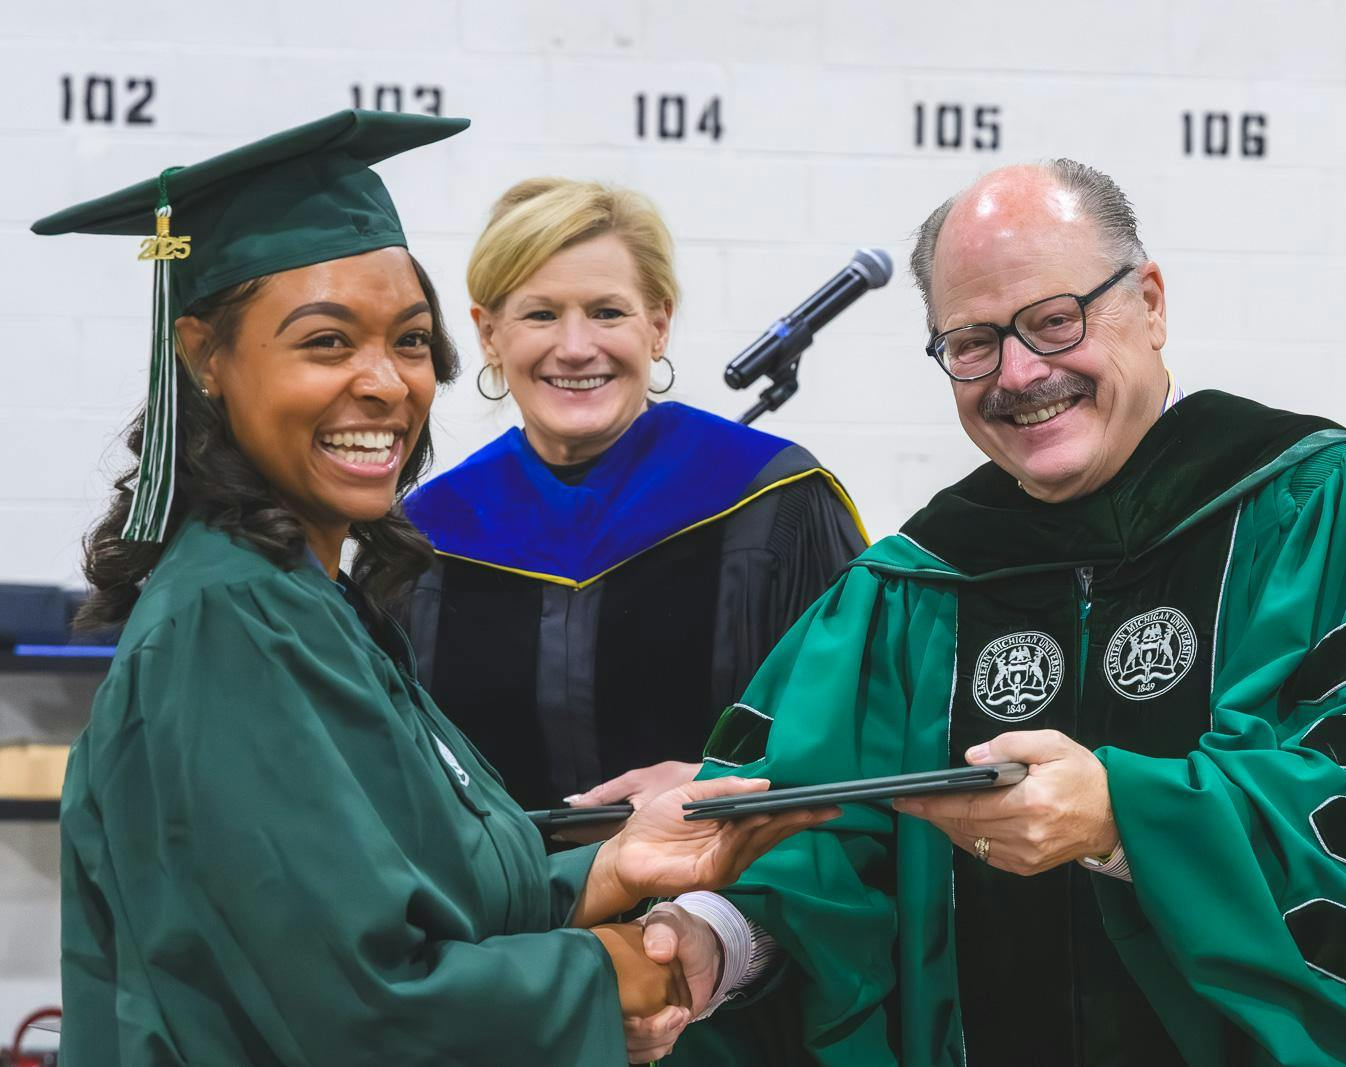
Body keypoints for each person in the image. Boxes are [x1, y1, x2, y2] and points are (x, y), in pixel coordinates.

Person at [636, 160, 1346, 1065]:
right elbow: (814, 846)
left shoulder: (1324, 508)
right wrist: (712, 935)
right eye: (971, 341)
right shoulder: (913, 586)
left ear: (1150, 303)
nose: (1018, 372)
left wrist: (1126, 818)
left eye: (1053, 321)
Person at [36, 110, 832, 1066]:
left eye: (409, 342)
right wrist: (633, 966)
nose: (383, 382)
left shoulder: (314, 602)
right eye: (327, 342)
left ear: (659, 321)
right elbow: (360, 1000)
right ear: (204, 358)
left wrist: (619, 861)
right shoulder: (232, 620)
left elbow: (426, 881)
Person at [404, 178, 867, 819]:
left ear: (657, 325)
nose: (574, 347)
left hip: (722, 898)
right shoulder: (425, 536)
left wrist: (723, 779)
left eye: (606, 312)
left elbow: (853, 736)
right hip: (498, 911)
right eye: (540, 314)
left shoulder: (773, 502)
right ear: (489, 335)